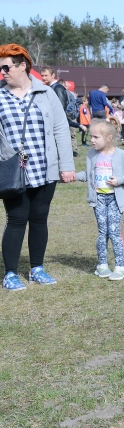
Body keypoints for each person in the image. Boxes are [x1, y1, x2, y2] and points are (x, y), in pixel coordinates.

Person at [0, 44, 76, 290]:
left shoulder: (46, 93)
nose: (3, 72)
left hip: (45, 168)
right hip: (14, 171)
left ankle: (37, 269)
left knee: (39, 218)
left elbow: (61, 129)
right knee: (16, 219)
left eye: (6, 67)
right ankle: (11, 273)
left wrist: (67, 165)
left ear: (23, 66)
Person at [74, 119, 124, 281]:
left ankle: (120, 267)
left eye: (96, 137)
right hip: (99, 199)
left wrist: (119, 180)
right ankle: (102, 265)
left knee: (114, 232)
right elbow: (89, 175)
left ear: (109, 138)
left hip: (115, 199)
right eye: (91, 137)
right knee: (103, 232)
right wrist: (74, 176)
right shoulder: (91, 154)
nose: (92, 140)